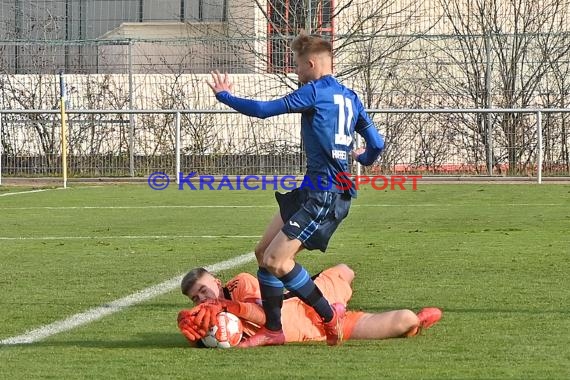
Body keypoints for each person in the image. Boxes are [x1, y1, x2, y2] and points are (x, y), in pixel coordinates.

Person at [206, 33, 385, 347]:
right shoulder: (351, 97)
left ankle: (328, 317)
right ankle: (273, 330)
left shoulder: (315, 92)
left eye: (298, 66)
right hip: (312, 189)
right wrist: (363, 157)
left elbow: (264, 109)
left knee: (277, 261)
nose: (297, 73)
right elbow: (377, 145)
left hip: (325, 194)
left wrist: (225, 96)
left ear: (311, 64)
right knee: (263, 254)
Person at [177, 264, 442, 347]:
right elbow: (212, 339)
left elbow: (269, 317)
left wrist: (229, 306)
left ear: (217, 281)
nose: (201, 299)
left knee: (346, 271)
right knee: (405, 320)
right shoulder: (210, 318)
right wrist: (196, 337)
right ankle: (418, 323)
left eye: (203, 290)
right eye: (194, 298)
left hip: (310, 307)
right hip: (319, 332)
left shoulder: (240, 284)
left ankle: (317, 287)